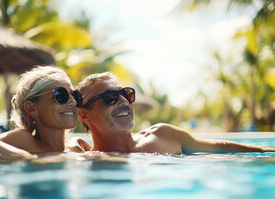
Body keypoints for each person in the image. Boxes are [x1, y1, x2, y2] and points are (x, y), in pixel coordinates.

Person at [76, 72, 275, 154]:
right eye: (110, 97)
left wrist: (267, 152)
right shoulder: (85, 160)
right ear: (85, 116)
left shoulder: (162, 135)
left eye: (126, 94)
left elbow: (220, 148)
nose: (122, 100)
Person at [0, 66, 84, 160]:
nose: (72, 102)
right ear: (31, 108)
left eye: (75, 95)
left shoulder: (76, 149)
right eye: (60, 95)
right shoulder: (23, 140)